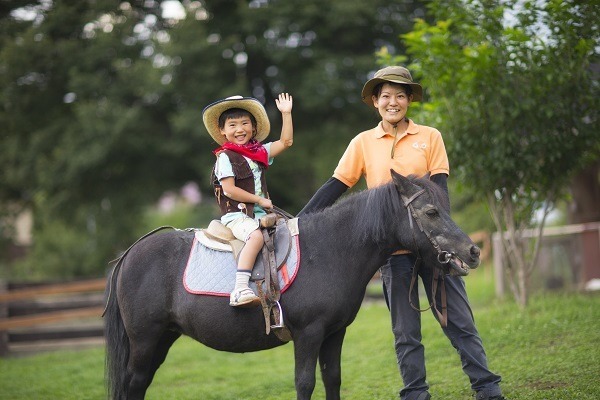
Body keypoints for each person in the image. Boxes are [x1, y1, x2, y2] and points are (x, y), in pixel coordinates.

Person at [298, 66, 504, 400]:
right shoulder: (363, 142)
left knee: (460, 322)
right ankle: (415, 394)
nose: (393, 102)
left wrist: (446, 244)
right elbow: (336, 186)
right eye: (386, 96)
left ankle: (487, 388)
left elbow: (440, 196)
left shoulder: (430, 136)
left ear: (409, 100)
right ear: (376, 102)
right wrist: (300, 222)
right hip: (393, 254)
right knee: (406, 333)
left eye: (400, 95)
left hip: (434, 247)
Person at [203, 93, 293, 307]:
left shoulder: (258, 152)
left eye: (244, 123)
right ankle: (240, 288)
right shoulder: (225, 157)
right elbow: (230, 190)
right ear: (223, 131)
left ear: (253, 127)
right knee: (255, 237)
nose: (239, 129)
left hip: (261, 214)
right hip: (237, 216)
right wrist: (259, 200)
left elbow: (286, 141)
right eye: (232, 125)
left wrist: (286, 114)